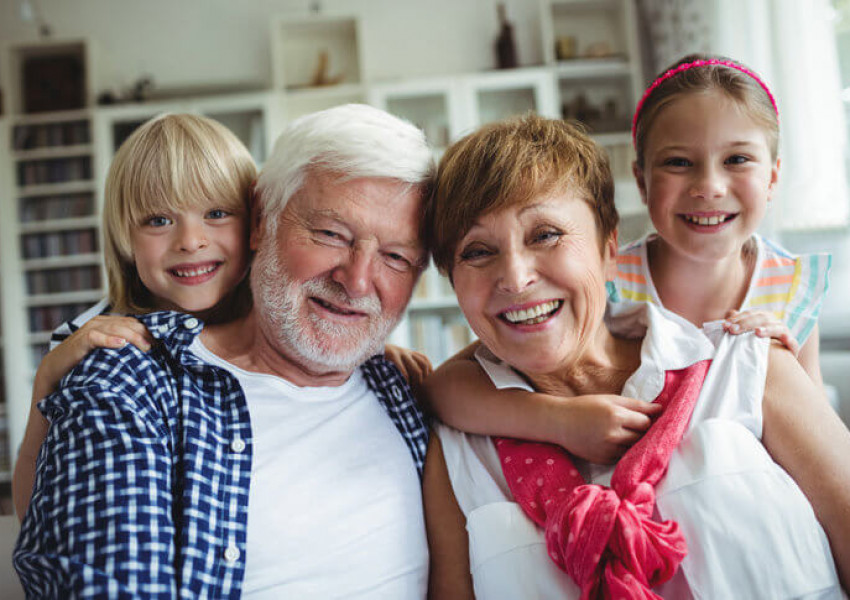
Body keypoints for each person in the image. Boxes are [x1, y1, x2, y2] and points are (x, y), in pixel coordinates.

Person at [14, 103, 434, 599]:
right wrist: (47, 384)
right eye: (329, 234)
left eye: (396, 256)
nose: (192, 243)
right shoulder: (115, 360)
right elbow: (41, 517)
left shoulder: (400, 385)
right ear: (264, 221)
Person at [422, 114, 850, 599]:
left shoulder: (746, 367)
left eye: (545, 235)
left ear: (609, 248)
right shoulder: (456, 450)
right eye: (477, 252)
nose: (516, 277)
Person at [423, 53, 831, 465]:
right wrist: (557, 420)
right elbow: (448, 385)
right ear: (641, 181)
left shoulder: (792, 287)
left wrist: (770, 361)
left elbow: (818, 432)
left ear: (774, 177)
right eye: (678, 163)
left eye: (737, 160)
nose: (708, 186)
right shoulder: (610, 278)